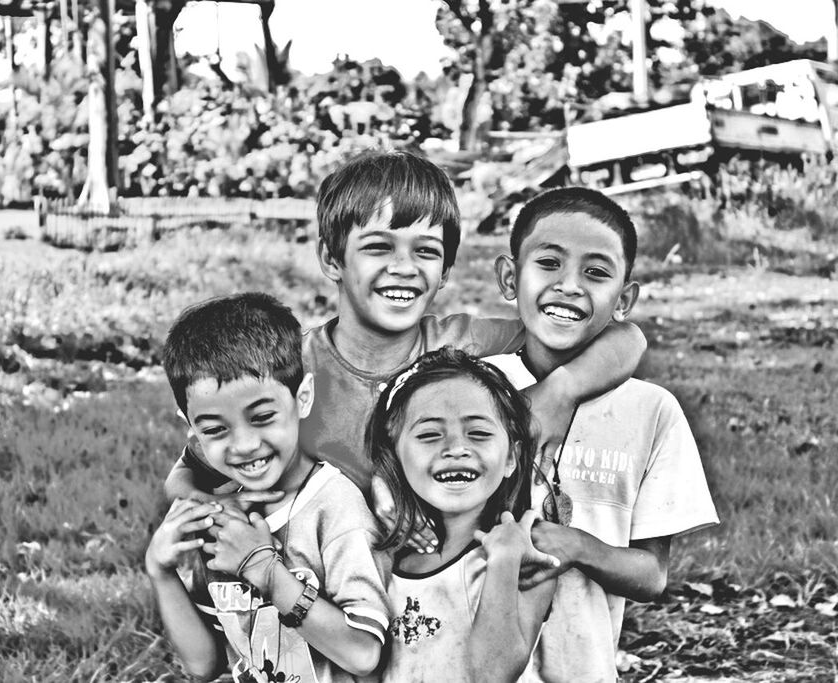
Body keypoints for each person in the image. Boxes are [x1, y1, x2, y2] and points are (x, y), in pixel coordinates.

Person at [165, 150, 647, 550]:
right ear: (332, 259)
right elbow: (187, 472)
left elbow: (625, 338)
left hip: (443, 591)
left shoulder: (465, 347)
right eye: (378, 247)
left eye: (425, 251)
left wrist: (559, 392)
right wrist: (213, 506)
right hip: (330, 602)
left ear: (447, 270)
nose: (403, 268)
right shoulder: (291, 370)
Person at [487, 187, 720, 682]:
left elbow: (652, 576)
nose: (570, 285)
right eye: (548, 263)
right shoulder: (470, 389)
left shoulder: (651, 412)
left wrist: (576, 547)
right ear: (510, 278)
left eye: (596, 272)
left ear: (624, 298)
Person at [145, 292, 390, 683]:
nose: (244, 444)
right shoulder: (223, 518)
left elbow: (363, 654)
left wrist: (263, 568)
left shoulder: (334, 506)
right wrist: (160, 571)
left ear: (302, 397)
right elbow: (205, 664)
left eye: (262, 417)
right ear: (190, 426)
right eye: (214, 429)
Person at [366, 346, 559, 683]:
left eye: (479, 433)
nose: (456, 447)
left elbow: (495, 674)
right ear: (395, 456)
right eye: (429, 434)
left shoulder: (528, 557)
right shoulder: (383, 558)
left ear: (512, 457)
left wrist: (503, 560)